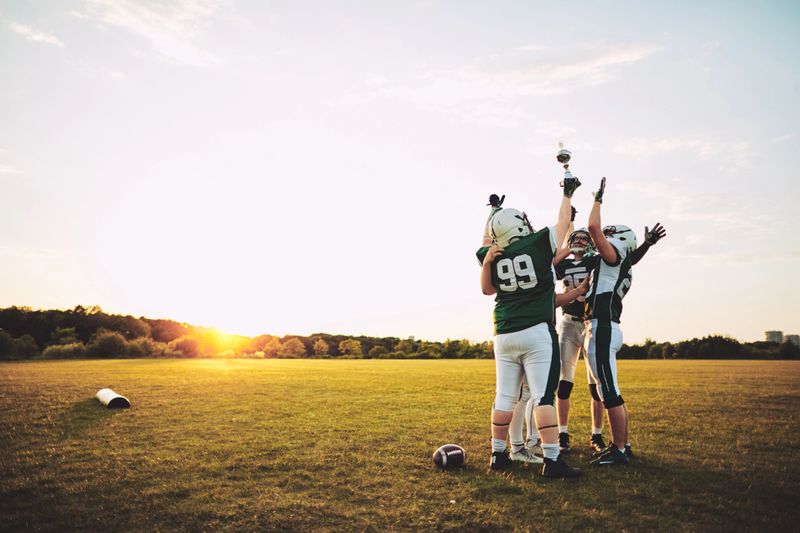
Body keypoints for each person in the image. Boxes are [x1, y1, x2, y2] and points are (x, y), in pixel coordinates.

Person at [476, 177, 582, 478]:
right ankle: (552, 460)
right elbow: (563, 222)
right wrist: (567, 193)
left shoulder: (492, 254)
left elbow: (486, 286)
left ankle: (498, 454)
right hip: (536, 332)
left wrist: (492, 212)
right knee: (543, 396)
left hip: (504, 333)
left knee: (504, 396)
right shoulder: (537, 244)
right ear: (521, 224)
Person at [553, 222, 666, 455]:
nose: (582, 242)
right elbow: (548, 266)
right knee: (564, 383)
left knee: (597, 387)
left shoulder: (596, 259)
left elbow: (626, 259)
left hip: (591, 324)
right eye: (578, 238)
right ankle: (562, 433)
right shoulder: (563, 264)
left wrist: (646, 245)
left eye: (586, 239)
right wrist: (567, 236)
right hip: (569, 324)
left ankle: (597, 434)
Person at [583, 177, 643, 466]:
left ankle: (619, 449)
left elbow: (593, 228)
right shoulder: (618, 262)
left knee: (609, 388)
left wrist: (597, 199)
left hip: (603, 326)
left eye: (609, 235)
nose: (600, 240)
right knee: (605, 387)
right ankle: (623, 445)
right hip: (599, 326)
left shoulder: (614, 255)